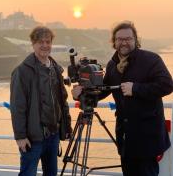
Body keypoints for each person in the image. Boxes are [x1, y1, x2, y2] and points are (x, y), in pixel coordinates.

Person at [72, 21, 173, 176]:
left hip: (147, 138)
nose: (124, 42)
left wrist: (136, 89)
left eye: (128, 39)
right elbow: (102, 90)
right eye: (120, 39)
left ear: (135, 40)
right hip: (125, 137)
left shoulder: (151, 59)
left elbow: (167, 85)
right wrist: (82, 92)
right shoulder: (113, 65)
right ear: (114, 42)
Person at [10, 26, 72, 176]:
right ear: (33, 44)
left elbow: (62, 101)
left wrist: (66, 127)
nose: (45, 45)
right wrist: (20, 136)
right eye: (40, 42)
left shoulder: (55, 69)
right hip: (33, 138)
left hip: (53, 135)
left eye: (48, 41)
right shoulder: (22, 71)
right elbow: (18, 107)